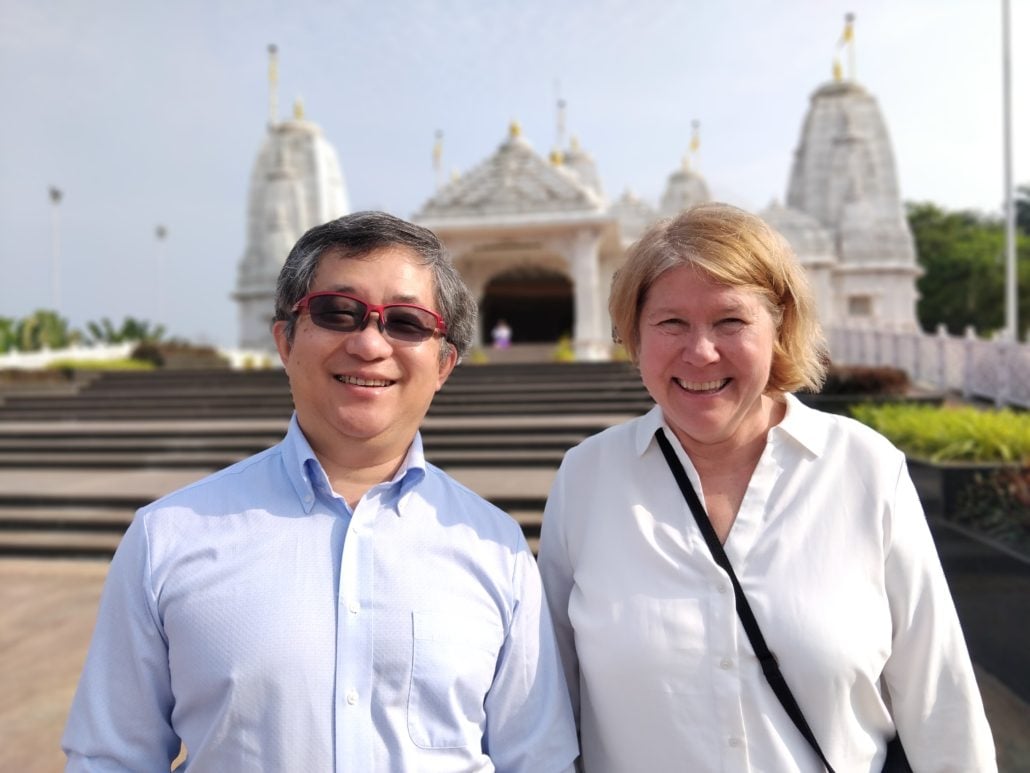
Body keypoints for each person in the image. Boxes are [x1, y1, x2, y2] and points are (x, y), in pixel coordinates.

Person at [63, 211, 578, 772]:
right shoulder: (169, 537)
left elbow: (536, 759)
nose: (368, 343)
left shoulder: (495, 549)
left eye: (405, 322)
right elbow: (111, 758)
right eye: (338, 312)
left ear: (445, 363)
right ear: (284, 338)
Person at [538, 202, 996, 772]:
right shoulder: (588, 477)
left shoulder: (863, 468)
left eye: (731, 321)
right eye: (670, 323)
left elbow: (938, 696)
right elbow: (548, 705)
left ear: (780, 326)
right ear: (634, 334)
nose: (700, 351)